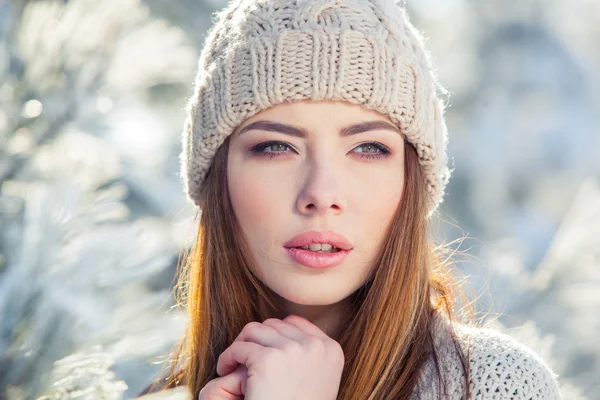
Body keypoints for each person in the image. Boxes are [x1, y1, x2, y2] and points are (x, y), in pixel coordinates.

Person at [139, 0, 563, 398]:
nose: (321, 194)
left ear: (411, 179)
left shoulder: (496, 384)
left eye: (368, 149)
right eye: (275, 147)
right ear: (219, 179)